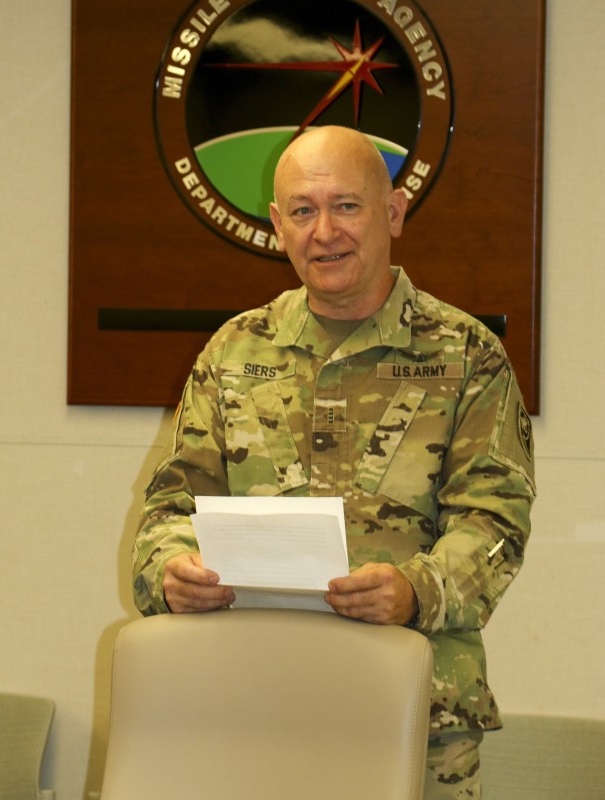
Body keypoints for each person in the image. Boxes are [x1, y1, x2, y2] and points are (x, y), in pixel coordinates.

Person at [132, 125, 535, 799]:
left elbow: (495, 525)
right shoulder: (233, 351)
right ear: (277, 226)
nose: (325, 232)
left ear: (394, 213)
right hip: (251, 711)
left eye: (346, 205)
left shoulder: (467, 355)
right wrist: (170, 573)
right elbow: (171, 508)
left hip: (417, 718)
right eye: (303, 211)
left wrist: (414, 591)